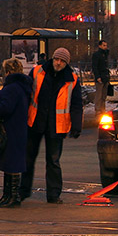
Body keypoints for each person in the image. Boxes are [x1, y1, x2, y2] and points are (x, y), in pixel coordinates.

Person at [21, 47, 84, 203]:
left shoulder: (72, 79)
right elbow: (26, 94)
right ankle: (23, 191)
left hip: (57, 125)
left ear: (66, 63)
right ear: (52, 58)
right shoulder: (38, 71)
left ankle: (53, 194)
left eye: (62, 61)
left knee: (53, 161)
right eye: (57, 59)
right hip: (35, 121)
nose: (58, 62)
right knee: (28, 159)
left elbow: (76, 104)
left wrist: (76, 126)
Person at [0, 58, 33, 207]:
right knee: (11, 164)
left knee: (11, 164)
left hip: (10, 129)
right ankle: (9, 196)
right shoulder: (22, 86)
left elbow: (6, 108)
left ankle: (12, 197)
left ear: (8, 72)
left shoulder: (12, 88)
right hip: (18, 129)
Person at [91, 39, 112, 116]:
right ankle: (98, 110)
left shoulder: (105, 54)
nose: (105, 47)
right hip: (100, 77)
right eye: (104, 45)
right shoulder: (97, 55)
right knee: (99, 95)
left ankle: (102, 109)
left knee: (104, 95)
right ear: (100, 46)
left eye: (106, 45)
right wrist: (97, 76)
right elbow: (95, 67)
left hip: (105, 77)